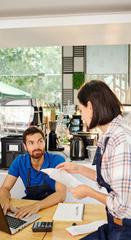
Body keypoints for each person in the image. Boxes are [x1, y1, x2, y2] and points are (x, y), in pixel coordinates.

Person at [56, 80, 131, 239]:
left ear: (90, 106)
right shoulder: (108, 135)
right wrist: (77, 169)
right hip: (114, 223)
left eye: (81, 109)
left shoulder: (120, 141)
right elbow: (108, 178)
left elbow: (119, 205)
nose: (81, 116)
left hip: (124, 228)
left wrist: (87, 191)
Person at [0, 126, 66, 219]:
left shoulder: (57, 160)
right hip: (29, 207)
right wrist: (4, 201)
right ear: (25, 146)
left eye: (40, 141)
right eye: (31, 143)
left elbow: (61, 194)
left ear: (45, 142)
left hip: (52, 206)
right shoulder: (19, 161)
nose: (36, 147)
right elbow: (5, 188)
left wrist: (37, 206)